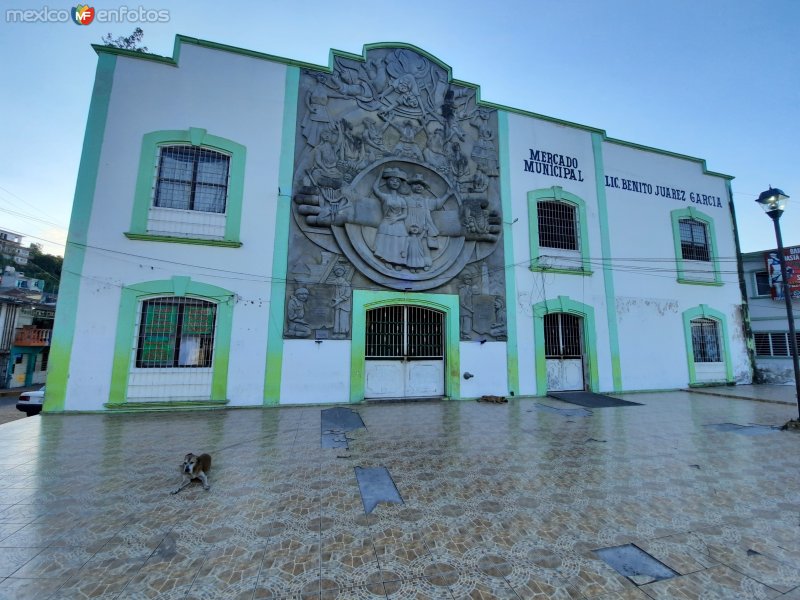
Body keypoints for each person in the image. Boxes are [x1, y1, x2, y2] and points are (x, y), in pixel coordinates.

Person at [372, 168, 409, 269]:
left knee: (399, 242)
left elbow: (405, 214)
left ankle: (398, 262)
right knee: (387, 241)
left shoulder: (402, 200)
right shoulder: (385, 197)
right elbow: (375, 189)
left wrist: (397, 219)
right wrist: (379, 175)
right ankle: (386, 259)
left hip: (398, 222)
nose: (395, 182)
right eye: (392, 180)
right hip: (387, 221)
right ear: (388, 182)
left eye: (397, 181)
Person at [330, 265, 352, 336]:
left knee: (343, 318)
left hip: (344, 305)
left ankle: (343, 333)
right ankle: (336, 332)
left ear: (343, 272)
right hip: (336, 304)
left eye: (340, 270)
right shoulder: (333, 282)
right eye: (337, 270)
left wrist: (339, 299)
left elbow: (348, 293)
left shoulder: (346, 283)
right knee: (337, 319)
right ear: (334, 272)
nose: (338, 272)